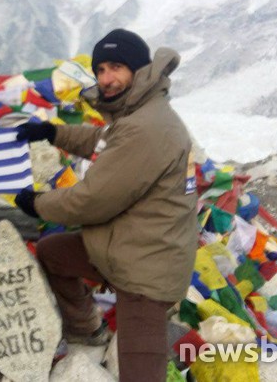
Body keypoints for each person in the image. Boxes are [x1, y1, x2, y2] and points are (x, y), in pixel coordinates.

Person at [14, 29, 199, 382]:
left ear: (139, 70)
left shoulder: (148, 127)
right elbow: (104, 141)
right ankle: (87, 328)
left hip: (146, 269)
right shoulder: (139, 113)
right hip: (125, 246)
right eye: (100, 70)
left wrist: (38, 204)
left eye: (116, 67)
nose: (106, 79)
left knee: (140, 372)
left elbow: (92, 201)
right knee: (54, 252)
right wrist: (53, 133)